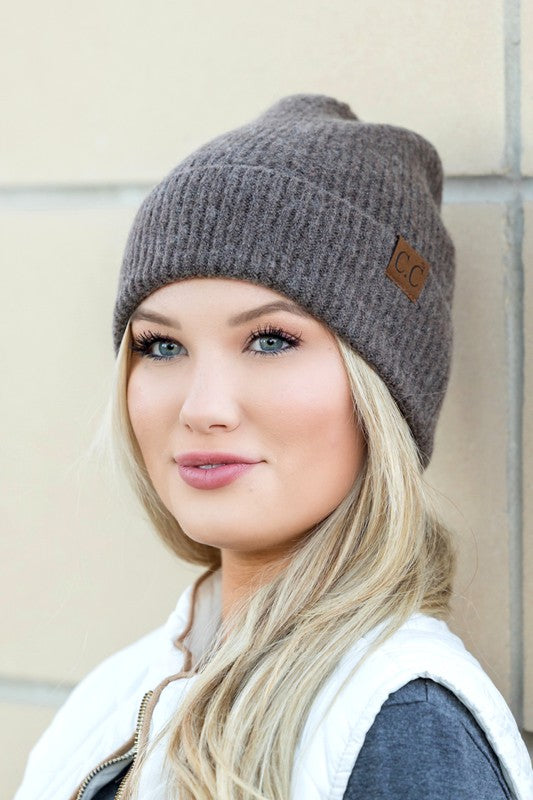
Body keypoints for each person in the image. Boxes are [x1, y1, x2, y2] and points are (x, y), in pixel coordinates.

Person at [13, 93, 533, 800]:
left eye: (269, 340)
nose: (202, 408)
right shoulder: (118, 691)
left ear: (380, 389)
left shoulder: (398, 725)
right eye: (161, 346)